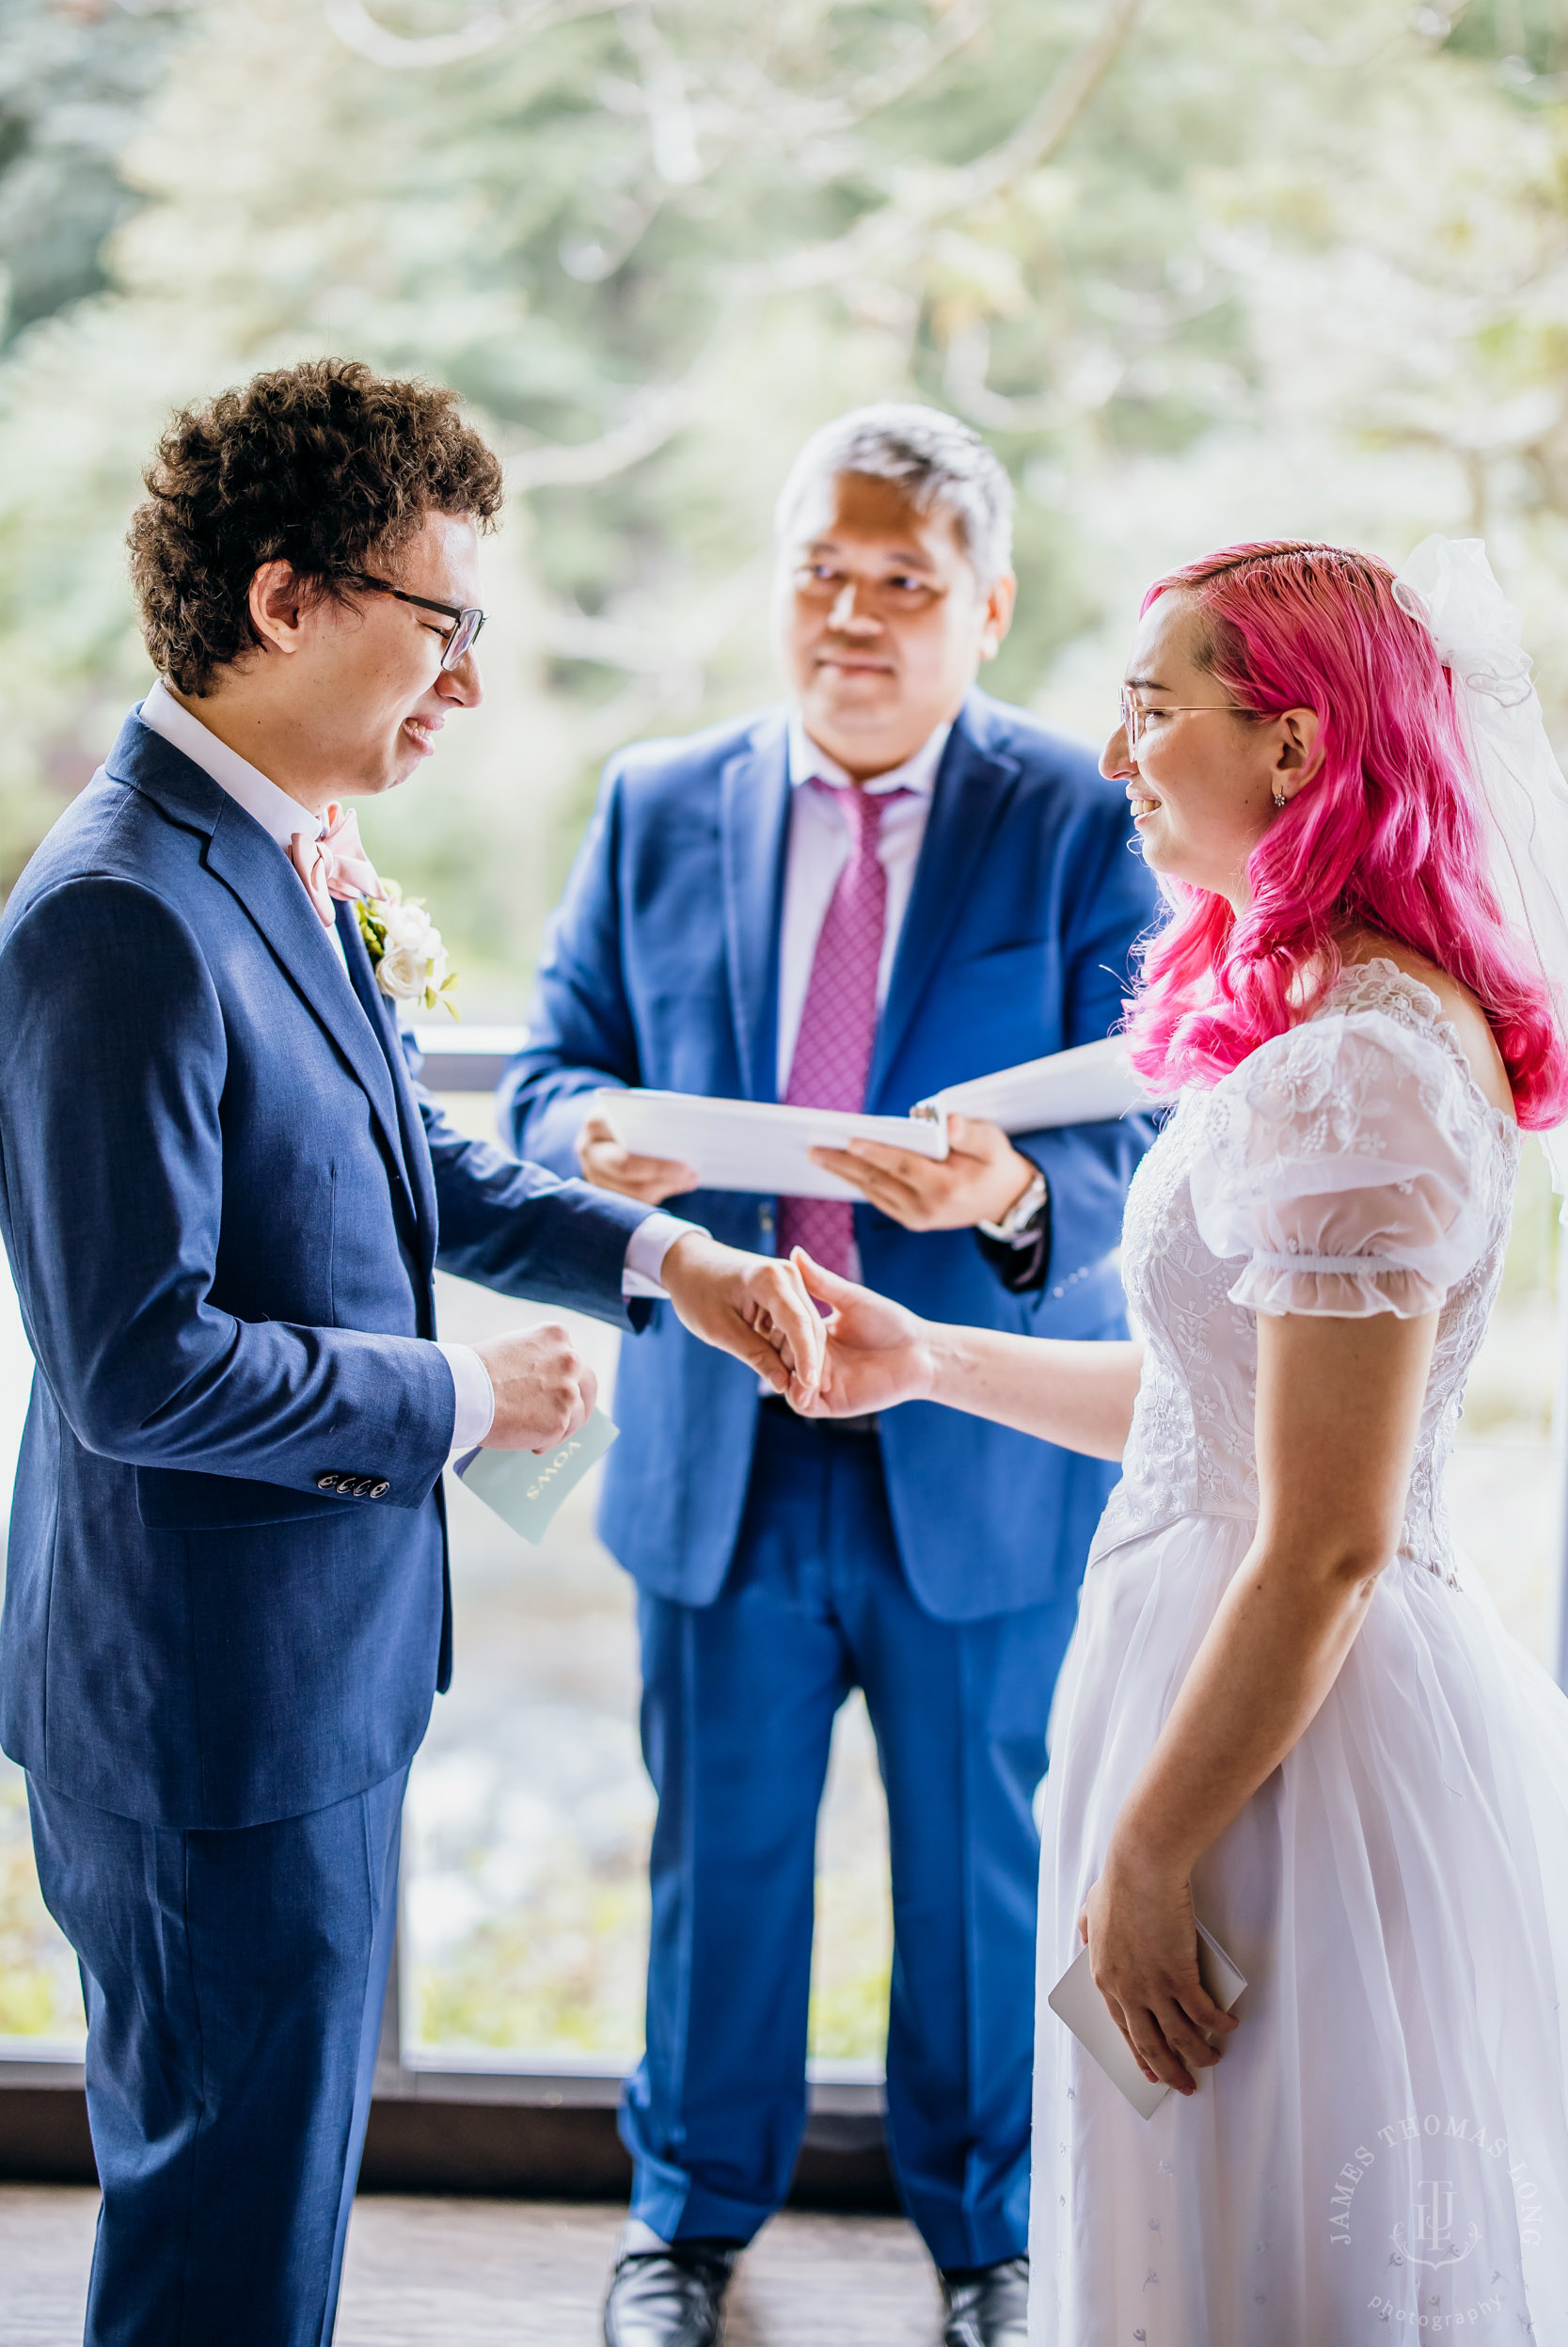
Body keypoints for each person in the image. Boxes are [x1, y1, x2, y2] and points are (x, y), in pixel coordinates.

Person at [0, 357, 824, 2347]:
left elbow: (403, 1158)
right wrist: (468, 1396)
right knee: (215, 2248)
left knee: (270, 2214)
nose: (467, 678)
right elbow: (140, 1365)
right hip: (205, 1717)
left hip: (313, 1673)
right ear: (285, 598)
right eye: (441, 621)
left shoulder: (281, 850)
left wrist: (664, 1256)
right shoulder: (116, 917)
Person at [782, 536, 1568, 2343]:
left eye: (1153, 709)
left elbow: (1327, 1542)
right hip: (1215, 1692)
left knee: (1267, 2244)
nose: (1117, 753)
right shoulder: (1320, 1029)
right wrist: (929, 1361)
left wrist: (1149, 1852)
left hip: (1284, 1754)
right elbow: (1230, 1412)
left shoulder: (1358, 1070)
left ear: (1293, 748)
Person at [503, 404, 1158, 2347]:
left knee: (980, 1862)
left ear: (988, 604)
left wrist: (1019, 1181)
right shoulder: (656, 799)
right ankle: (686, 2223)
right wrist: (597, 1130)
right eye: (822, 571)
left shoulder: (1081, 815)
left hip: (969, 1427)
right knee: (724, 1857)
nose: (853, 617)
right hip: (726, 1435)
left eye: (903, 582)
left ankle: (994, 2237)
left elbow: (1145, 1123)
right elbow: (549, 1076)